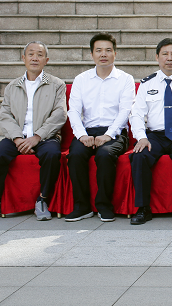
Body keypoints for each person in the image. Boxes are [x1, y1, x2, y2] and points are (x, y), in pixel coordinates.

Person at [0, 42, 67, 222]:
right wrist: (18, 138)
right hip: (17, 137)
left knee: (51, 154)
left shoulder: (57, 84)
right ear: (23, 58)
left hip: (45, 136)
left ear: (46, 60)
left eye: (40, 55)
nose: (35, 58)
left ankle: (42, 200)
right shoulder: (12, 86)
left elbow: (60, 114)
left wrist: (37, 137)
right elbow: (5, 116)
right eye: (31, 54)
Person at [128, 38, 172, 225]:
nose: (170, 58)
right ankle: (143, 208)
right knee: (139, 155)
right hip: (155, 136)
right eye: (165, 54)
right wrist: (141, 138)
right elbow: (136, 114)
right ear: (157, 57)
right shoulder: (147, 83)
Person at [64, 33, 134, 222]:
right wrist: (81, 135)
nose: (103, 54)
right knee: (76, 155)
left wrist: (109, 134)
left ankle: (104, 205)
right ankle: (82, 206)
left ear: (115, 53)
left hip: (115, 132)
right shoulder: (81, 79)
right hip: (87, 131)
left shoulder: (125, 79)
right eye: (99, 50)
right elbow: (73, 111)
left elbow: (125, 111)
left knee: (105, 155)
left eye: (108, 50)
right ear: (92, 54)